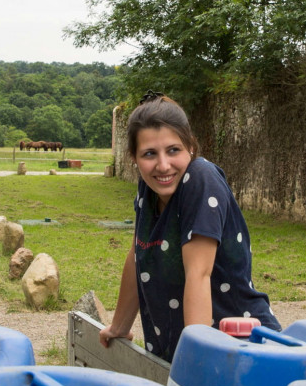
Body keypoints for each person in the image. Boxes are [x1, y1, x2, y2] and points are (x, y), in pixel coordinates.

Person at [100, 95, 279, 362]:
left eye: (173, 150)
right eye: (149, 154)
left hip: (235, 352)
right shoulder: (148, 189)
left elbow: (199, 273)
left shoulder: (200, 179)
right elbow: (138, 255)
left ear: (191, 147)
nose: (163, 165)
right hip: (180, 350)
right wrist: (119, 327)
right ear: (134, 158)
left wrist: (196, 360)